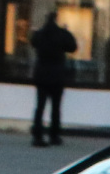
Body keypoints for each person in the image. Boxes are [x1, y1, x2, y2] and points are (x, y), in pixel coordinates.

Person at [28, 12, 77, 146]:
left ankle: (37, 136)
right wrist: (66, 32)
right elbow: (72, 47)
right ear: (56, 19)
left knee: (40, 107)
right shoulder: (61, 34)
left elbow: (33, 42)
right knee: (56, 107)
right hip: (57, 75)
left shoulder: (40, 34)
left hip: (42, 75)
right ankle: (54, 136)